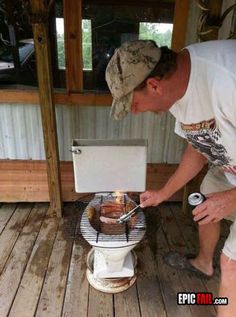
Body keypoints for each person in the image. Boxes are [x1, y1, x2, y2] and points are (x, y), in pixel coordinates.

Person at [105, 39, 236, 317]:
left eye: (135, 104)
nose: (136, 112)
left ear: (153, 85)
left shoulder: (229, 81)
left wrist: (231, 199)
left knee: (232, 265)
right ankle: (203, 263)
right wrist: (164, 193)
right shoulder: (178, 84)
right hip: (229, 170)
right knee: (207, 197)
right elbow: (199, 144)